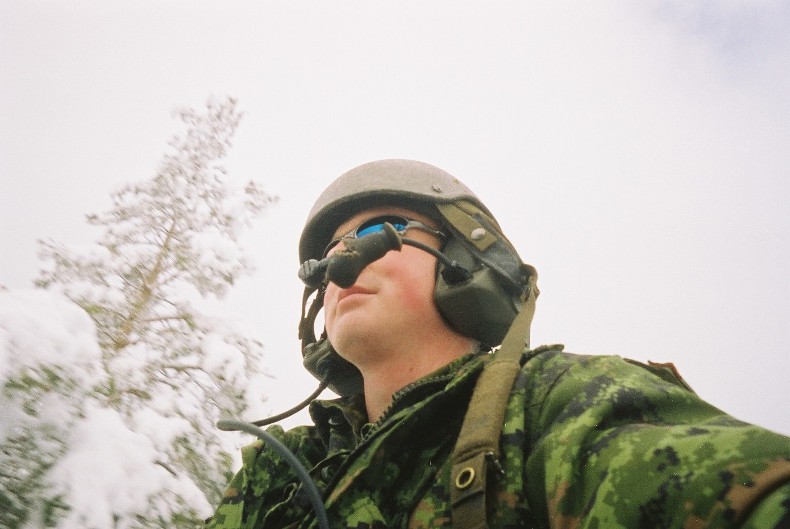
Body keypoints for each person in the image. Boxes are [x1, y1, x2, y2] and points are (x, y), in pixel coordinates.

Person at [207, 159, 790, 528]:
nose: (342, 259)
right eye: (330, 250)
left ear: (464, 264)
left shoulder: (556, 409)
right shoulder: (275, 476)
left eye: (374, 229)